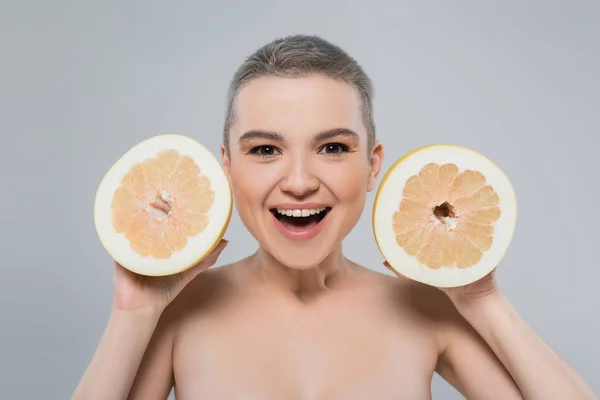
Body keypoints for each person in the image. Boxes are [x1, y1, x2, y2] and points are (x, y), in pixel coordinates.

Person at [72, 35, 598, 400]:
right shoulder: (179, 313)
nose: (299, 180)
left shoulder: (426, 310)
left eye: (332, 147)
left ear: (373, 166)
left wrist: (484, 300)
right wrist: (131, 315)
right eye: (264, 151)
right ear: (226, 166)